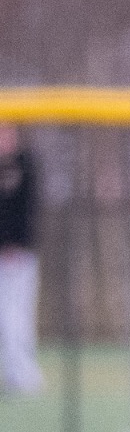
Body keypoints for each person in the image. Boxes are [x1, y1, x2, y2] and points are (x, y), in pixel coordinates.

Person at [0, 123, 43, 398]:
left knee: (19, 315)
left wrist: (15, 243)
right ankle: (14, 373)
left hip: (21, 255)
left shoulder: (25, 165)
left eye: (8, 134)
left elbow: (27, 209)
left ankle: (24, 374)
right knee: (6, 318)